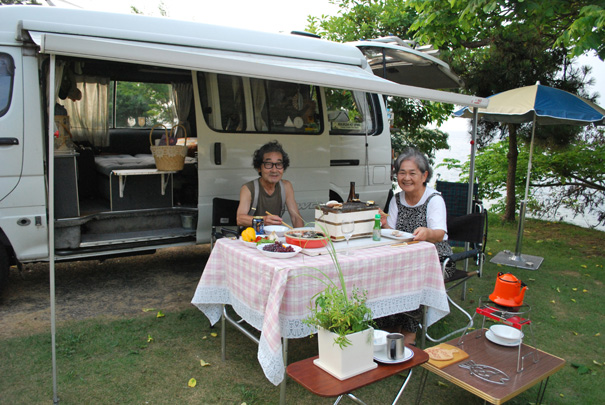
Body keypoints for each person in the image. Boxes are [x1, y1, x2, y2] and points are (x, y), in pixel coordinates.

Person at [378, 147, 455, 344]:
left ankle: (410, 331)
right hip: (404, 256)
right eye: (402, 172)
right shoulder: (397, 198)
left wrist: (428, 233)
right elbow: (393, 231)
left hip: (437, 260)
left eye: (412, 173)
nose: (406, 178)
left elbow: (440, 234)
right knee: (381, 271)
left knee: (411, 275)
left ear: (424, 175)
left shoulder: (434, 199)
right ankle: (389, 324)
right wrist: (384, 222)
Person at [236, 140, 304, 229]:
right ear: (259, 168)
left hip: (274, 237)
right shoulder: (248, 188)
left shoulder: (286, 186)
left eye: (279, 164)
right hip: (251, 238)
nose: (274, 170)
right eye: (268, 164)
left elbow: (295, 217)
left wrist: (301, 237)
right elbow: (240, 219)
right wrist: (263, 220)